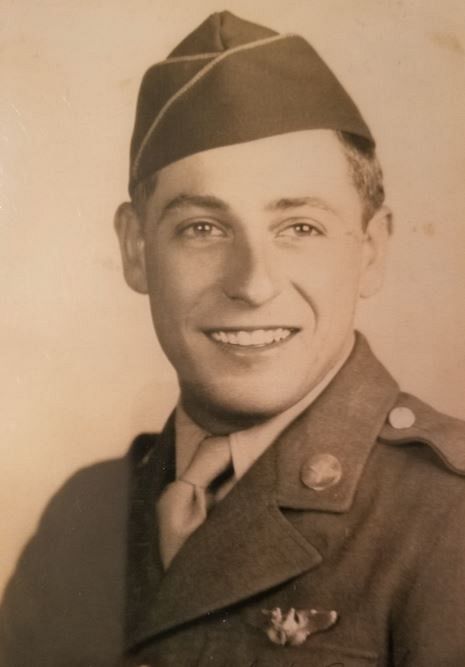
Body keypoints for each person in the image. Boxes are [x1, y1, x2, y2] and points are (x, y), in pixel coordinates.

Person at [1, 10, 464, 667]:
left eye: (299, 228)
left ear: (371, 250)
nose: (252, 283)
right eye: (202, 228)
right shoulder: (84, 516)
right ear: (135, 249)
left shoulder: (449, 514)